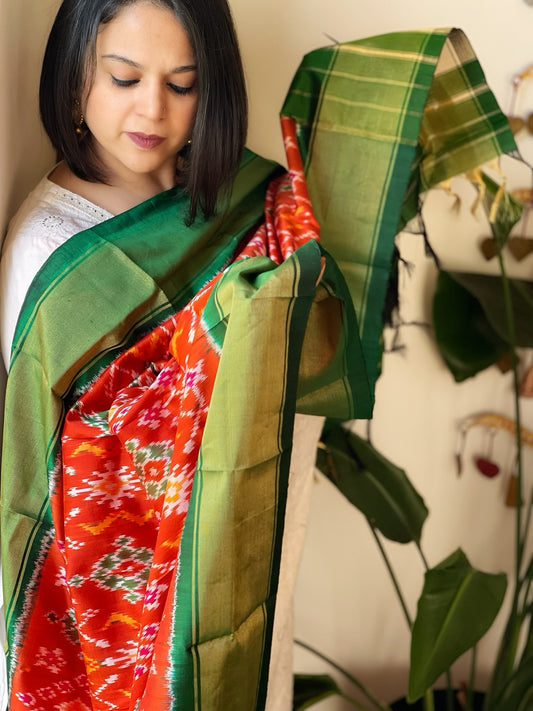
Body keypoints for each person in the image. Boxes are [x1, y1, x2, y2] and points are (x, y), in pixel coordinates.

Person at [0, 1, 324, 709]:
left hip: (246, 552)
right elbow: (84, 452)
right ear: (73, 77)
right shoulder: (49, 249)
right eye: (123, 78)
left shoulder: (234, 195)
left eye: (182, 84)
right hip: (123, 619)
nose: (153, 108)